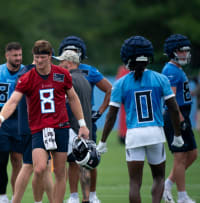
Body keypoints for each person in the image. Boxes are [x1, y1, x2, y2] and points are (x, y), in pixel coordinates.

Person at [0, 40, 90, 203]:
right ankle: (38, 200)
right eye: (36, 57)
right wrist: (0, 118)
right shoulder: (27, 77)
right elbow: (13, 101)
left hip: (60, 127)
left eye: (42, 57)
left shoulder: (62, 74)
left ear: (50, 56)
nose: (38, 61)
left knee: (59, 172)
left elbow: (73, 98)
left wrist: (83, 124)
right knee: (39, 168)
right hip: (38, 129)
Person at [97, 36, 184, 203]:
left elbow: (111, 115)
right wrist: (178, 135)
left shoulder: (121, 83)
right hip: (155, 133)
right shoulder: (160, 78)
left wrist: (103, 141)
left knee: (135, 183)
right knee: (159, 178)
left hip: (134, 134)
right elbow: (173, 108)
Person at [58, 36, 112, 203]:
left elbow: (110, 89)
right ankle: (74, 196)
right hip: (67, 120)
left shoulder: (90, 71)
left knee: (90, 159)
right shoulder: (61, 72)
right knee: (72, 161)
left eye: (74, 51)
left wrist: (101, 111)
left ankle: (92, 195)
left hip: (86, 120)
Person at [0, 42, 24, 203]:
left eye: (20, 55)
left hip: (19, 119)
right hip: (0, 120)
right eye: (15, 55)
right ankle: (3, 197)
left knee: (17, 159)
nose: (18, 59)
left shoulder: (26, 72)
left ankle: (15, 197)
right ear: (7, 55)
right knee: (1, 160)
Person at [161, 34, 198, 203]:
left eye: (186, 51)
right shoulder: (169, 70)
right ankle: (182, 196)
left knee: (192, 154)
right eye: (182, 51)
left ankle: (167, 184)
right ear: (173, 52)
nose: (185, 54)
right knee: (180, 156)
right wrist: (181, 120)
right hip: (176, 116)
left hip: (183, 115)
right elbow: (171, 100)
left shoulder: (178, 69)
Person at [11, 61, 54, 203]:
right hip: (33, 127)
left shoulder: (26, 72)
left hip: (36, 127)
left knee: (46, 167)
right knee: (29, 166)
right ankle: (16, 201)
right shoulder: (30, 73)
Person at [54, 50, 93, 203]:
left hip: (71, 127)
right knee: (83, 164)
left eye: (61, 62)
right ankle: (85, 198)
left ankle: (71, 197)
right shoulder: (84, 79)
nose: (58, 65)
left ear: (69, 63)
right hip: (85, 126)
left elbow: (64, 103)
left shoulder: (68, 78)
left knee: (62, 165)